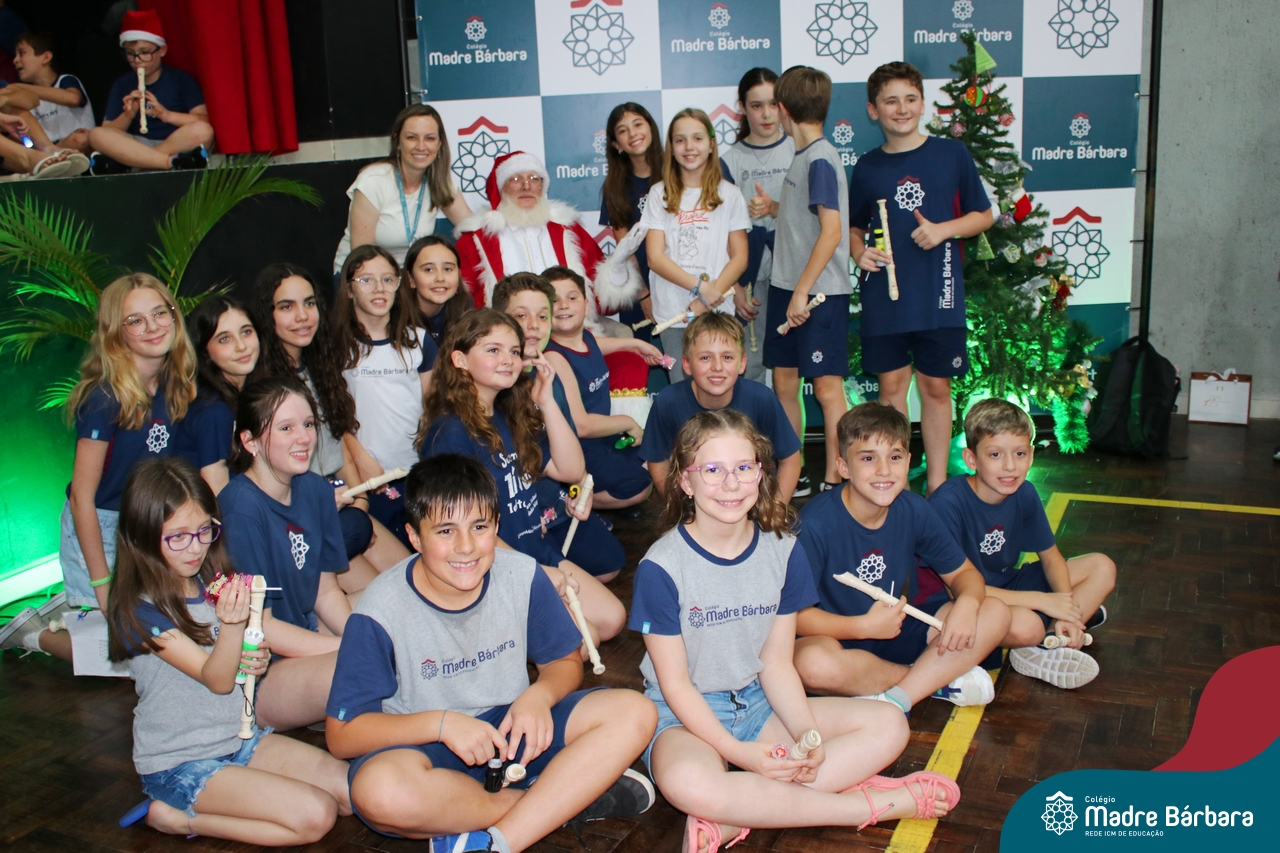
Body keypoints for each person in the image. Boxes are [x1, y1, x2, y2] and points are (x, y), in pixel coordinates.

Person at [632, 409, 960, 852]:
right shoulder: (661, 567)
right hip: (683, 715)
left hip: (758, 702)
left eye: (743, 468)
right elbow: (675, 685)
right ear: (686, 482)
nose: (731, 484)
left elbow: (776, 663)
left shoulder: (783, 550)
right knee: (688, 783)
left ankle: (738, 815)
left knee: (889, 725)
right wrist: (741, 753)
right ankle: (862, 806)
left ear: (760, 474)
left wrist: (807, 734)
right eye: (712, 470)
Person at [324, 454, 658, 849]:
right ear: (414, 537)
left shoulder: (521, 574)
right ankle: (558, 800)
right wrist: (442, 725)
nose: (466, 547)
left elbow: (563, 661)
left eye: (479, 527)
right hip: (426, 747)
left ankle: (496, 839)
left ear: (497, 526)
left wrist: (540, 696)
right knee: (379, 792)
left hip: (514, 732)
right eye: (445, 531)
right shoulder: (379, 610)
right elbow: (342, 735)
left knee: (636, 712)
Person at [106, 457, 351, 844]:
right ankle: (178, 820)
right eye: (178, 537)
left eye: (205, 530)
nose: (196, 547)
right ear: (142, 535)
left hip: (239, 739)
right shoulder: (139, 610)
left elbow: (236, 666)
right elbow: (216, 680)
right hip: (181, 761)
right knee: (316, 815)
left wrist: (256, 658)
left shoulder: (210, 580)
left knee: (349, 792)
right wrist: (235, 626)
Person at [3, 274, 197, 661]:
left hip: (145, 523)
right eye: (135, 320)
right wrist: (102, 583)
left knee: (160, 649)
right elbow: (82, 498)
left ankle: (79, 610)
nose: (153, 326)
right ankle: (28, 634)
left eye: (160, 313)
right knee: (126, 654)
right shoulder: (104, 397)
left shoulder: (174, 383)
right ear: (116, 333)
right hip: (100, 525)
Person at [417, 309, 627, 631]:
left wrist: (547, 401)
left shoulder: (507, 414)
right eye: (493, 350)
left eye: (514, 352)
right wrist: (534, 573)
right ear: (460, 359)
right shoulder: (451, 433)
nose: (508, 360)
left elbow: (571, 471)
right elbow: (459, 529)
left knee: (612, 619)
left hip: (533, 550)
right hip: (491, 564)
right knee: (586, 641)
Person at [792, 404, 1010, 714]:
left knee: (994, 611)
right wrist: (863, 626)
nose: (884, 470)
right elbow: (796, 616)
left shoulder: (914, 509)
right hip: (837, 636)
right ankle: (932, 680)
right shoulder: (814, 524)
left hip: (895, 628)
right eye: (868, 458)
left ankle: (895, 695)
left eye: (894, 457)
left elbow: (965, 574)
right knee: (812, 665)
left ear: (908, 462)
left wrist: (966, 604)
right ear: (843, 467)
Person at [849, 61, 994, 494]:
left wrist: (943, 230)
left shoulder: (952, 154)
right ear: (873, 109)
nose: (902, 109)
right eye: (891, 101)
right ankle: (893, 487)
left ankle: (937, 485)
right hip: (885, 297)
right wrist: (859, 252)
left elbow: (983, 215)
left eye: (910, 99)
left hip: (938, 294)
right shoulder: (867, 166)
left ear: (923, 103)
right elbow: (854, 227)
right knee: (892, 390)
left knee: (935, 387)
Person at [929, 399, 1115, 689]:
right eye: (995, 455)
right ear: (971, 459)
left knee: (1101, 567)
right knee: (1027, 625)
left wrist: (1065, 608)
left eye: (1019, 453)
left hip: (1007, 585)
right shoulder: (947, 504)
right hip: (960, 602)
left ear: (1031, 456)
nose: (1010, 466)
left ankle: (1054, 636)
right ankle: (1043, 637)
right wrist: (1044, 601)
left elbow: (1051, 558)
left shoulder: (1024, 492)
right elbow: (959, 590)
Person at [247, 262, 410, 585]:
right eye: (286, 307)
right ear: (267, 315)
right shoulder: (263, 386)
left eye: (309, 303)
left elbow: (339, 446)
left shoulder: (319, 366)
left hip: (343, 502)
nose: (302, 316)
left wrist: (361, 502)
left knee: (412, 576)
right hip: (303, 518)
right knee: (381, 595)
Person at [217, 376, 355, 730]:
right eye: (285, 428)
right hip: (261, 663)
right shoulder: (240, 508)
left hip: (303, 630)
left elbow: (326, 591)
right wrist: (351, 648)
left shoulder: (315, 489)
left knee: (392, 617)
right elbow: (261, 626)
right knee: (361, 666)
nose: (304, 438)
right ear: (250, 441)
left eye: (308, 424)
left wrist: (360, 636)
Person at [756, 65, 851, 498]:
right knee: (783, 381)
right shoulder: (804, 155)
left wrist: (801, 292)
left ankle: (836, 478)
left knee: (827, 388)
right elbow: (807, 220)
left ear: (783, 109)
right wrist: (776, 209)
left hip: (816, 294)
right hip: (788, 287)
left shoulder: (820, 158)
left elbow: (832, 231)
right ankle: (793, 474)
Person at [492, 272, 627, 550]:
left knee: (611, 560)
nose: (533, 326)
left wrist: (580, 488)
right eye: (521, 316)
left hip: (554, 499)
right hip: (511, 515)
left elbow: (569, 451)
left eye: (543, 316)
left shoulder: (546, 375)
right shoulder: (494, 386)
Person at [454, 150, 642, 328]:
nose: (526, 186)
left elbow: (603, 299)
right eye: (516, 179)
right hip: (509, 336)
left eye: (534, 179)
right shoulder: (476, 240)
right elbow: (462, 304)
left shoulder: (567, 229)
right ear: (501, 187)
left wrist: (617, 269)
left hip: (569, 331)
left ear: (542, 186)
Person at [333, 244, 436, 549]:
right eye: (366, 280)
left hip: (418, 473)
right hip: (369, 476)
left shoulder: (419, 341)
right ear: (349, 290)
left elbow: (434, 408)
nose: (379, 288)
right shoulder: (336, 346)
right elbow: (333, 415)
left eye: (388, 279)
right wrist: (359, 458)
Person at [640, 312, 801, 503]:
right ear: (687, 364)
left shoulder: (761, 399)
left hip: (753, 503)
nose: (717, 367)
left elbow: (791, 460)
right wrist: (677, 508)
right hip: (692, 504)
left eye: (727, 357)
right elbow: (658, 461)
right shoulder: (668, 402)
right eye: (705, 358)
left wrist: (775, 510)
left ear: (742, 364)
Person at [640, 108, 749, 383]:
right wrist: (700, 288)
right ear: (671, 147)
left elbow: (739, 257)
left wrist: (710, 297)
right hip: (675, 314)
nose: (689, 147)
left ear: (711, 144)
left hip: (717, 311)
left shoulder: (730, 194)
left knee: (719, 387)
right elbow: (655, 258)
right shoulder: (658, 194)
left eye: (697, 138)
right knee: (682, 388)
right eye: (680, 140)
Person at [542, 264, 661, 511]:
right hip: (577, 445)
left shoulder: (585, 338)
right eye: (554, 301)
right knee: (637, 487)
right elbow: (581, 425)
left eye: (571, 298)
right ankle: (565, 500)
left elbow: (595, 345)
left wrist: (634, 344)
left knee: (656, 457)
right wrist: (628, 422)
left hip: (603, 437)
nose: (563, 305)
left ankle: (585, 489)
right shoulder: (554, 356)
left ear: (586, 306)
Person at [333, 104, 471, 276]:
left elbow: (472, 227)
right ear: (397, 142)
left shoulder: (441, 181)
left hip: (409, 275)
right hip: (363, 274)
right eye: (412, 137)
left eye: (429, 138)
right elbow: (361, 255)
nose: (421, 146)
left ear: (439, 144)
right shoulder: (373, 181)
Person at [719, 68, 795, 384]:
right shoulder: (729, 160)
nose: (766, 114)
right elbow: (719, 232)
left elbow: (819, 217)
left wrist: (774, 208)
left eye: (773, 104)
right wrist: (735, 287)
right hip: (749, 276)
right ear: (742, 107)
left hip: (795, 273)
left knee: (790, 369)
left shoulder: (799, 149)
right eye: (756, 105)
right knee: (750, 363)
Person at [88, 10, 212, 174]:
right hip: (136, 145)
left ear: (162, 50)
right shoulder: (122, 84)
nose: (137, 60)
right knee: (96, 135)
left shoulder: (181, 79)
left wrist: (167, 115)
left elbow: (203, 119)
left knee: (203, 131)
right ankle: (169, 162)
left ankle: (136, 165)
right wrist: (128, 115)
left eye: (145, 52)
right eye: (131, 54)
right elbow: (107, 130)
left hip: (175, 142)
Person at [175, 295, 260, 494]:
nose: (241, 346)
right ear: (205, 352)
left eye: (246, 332)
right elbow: (218, 496)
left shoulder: (244, 396)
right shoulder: (212, 411)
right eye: (224, 339)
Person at [599, 102, 663, 328]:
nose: (633, 133)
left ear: (651, 127)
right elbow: (625, 249)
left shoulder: (675, 172)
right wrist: (644, 295)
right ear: (616, 144)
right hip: (639, 287)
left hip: (679, 280)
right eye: (623, 130)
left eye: (638, 124)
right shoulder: (615, 187)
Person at [0, 31, 92, 176]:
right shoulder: (16, 87)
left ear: (46, 57)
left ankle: (49, 153)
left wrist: (8, 94)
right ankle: (43, 158)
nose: (15, 60)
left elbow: (71, 98)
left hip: (64, 143)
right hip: (40, 149)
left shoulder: (66, 80)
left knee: (81, 138)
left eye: (21, 53)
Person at [406, 234, 474, 353]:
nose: (440, 278)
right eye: (428, 270)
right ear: (411, 279)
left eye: (447, 269)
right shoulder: (395, 315)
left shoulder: (466, 305)